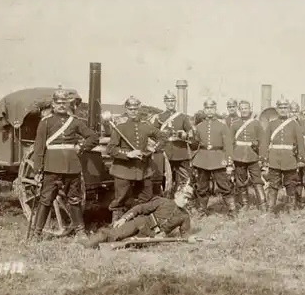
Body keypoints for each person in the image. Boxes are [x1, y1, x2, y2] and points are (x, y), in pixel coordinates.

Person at [32, 85, 98, 241]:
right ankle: (37, 233)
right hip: (52, 167)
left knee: (74, 200)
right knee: (46, 200)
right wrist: (37, 170)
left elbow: (93, 137)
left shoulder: (74, 122)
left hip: (72, 167)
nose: (61, 105)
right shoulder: (45, 122)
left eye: (64, 102)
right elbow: (39, 148)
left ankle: (80, 232)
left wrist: (81, 147)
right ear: (53, 104)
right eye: (58, 102)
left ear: (68, 104)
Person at [105, 96, 168, 223]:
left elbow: (162, 137)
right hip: (123, 169)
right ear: (126, 110)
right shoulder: (119, 126)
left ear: (139, 109)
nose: (133, 111)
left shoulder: (146, 125)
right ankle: (116, 226)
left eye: (136, 108)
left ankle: (140, 225)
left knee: (146, 198)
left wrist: (152, 149)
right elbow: (111, 149)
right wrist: (129, 154)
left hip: (143, 169)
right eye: (130, 109)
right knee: (120, 200)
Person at [78, 184, 194, 249]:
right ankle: (87, 244)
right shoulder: (162, 202)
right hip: (139, 224)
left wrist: (190, 240)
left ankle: (101, 248)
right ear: (177, 194)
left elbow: (184, 236)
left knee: (127, 246)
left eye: (189, 199)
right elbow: (140, 208)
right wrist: (125, 218)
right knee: (114, 234)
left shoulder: (185, 216)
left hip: (152, 237)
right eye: (185, 197)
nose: (187, 201)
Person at [191, 98, 237, 218]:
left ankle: (232, 210)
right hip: (203, 160)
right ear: (204, 110)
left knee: (224, 186)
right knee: (202, 187)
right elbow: (195, 144)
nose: (209, 111)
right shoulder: (199, 127)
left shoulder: (222, 126)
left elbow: (228, 145)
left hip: (218, 159)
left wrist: (229, 163)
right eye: (207, 108)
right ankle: (202, 210)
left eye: (212, 108)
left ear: (215, 109)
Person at [259, 97, 305, 212]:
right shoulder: (271, 124)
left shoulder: (294, 124)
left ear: (288, 109)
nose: (283, 110)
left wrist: (301, 159)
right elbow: (265, 142)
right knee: (273, 185)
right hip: (274, 159)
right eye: (280, 107)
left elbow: (300, 142)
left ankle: (290, 209)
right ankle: (270, 209)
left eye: (285, 107)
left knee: (290, 185)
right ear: (277, 109)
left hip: (290, 159)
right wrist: (263, 158)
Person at [150, 91, 194, 197]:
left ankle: (184, 199)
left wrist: (184, 135)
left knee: (185, 178)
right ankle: (165, 198)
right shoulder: (159, 117)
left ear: (175, 102)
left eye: (172, 101)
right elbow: (152, 134)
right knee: (164, 178)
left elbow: (191, 134)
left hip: (180, 152)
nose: (171, 103)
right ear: (165, 102)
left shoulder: (183, 117)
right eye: (168, 101)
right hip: (165, 151)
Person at [230, 100, 266, 210]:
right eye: (242, 108)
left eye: (246, 108)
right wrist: (230, 158)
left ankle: (263, 204)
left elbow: (263, 141)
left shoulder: (256, 123)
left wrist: (262, 157)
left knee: (257, 181)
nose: (244, 110)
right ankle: (244, 204)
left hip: (253, 156)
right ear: (239, 110)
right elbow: (230, 142)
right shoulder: (235, 124)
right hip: (239, 156)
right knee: (241, 181)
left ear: (250, 109)